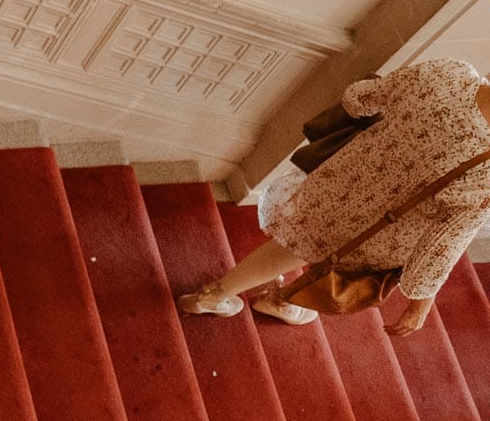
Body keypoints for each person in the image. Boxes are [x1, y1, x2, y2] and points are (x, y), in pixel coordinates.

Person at [180, 57, 490, 335]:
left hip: (340, 180)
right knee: (331, 262)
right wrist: (419, 306)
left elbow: (358, 99)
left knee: (298, 243)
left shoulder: (450, 74)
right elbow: (438, 251)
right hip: (380, 232)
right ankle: (278, 301)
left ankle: (213, 295)